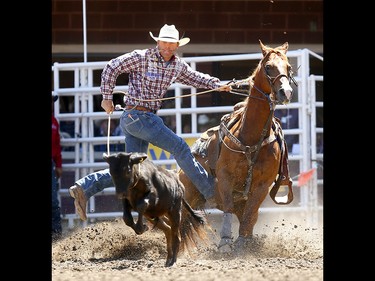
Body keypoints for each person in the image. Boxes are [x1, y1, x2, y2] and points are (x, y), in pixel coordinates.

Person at [69, 24, 232, 221]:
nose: (167, 47)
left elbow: (196, 78)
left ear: (177, 45)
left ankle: (84, 187)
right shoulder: (141, 57)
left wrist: (218, 85)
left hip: (135, 119)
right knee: (180, 147)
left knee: (132, 172)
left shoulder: (177, 66)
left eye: (172, 44)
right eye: (164, 42)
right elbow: (112, 66)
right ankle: (211, 193)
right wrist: (107, 97)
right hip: (138, 117)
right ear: (158, 42)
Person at [52, 94, 63, 237]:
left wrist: (58, 164)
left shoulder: (54, 122)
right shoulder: (53, 122)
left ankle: (56, 234)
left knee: (53, 201)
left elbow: (56, 145)